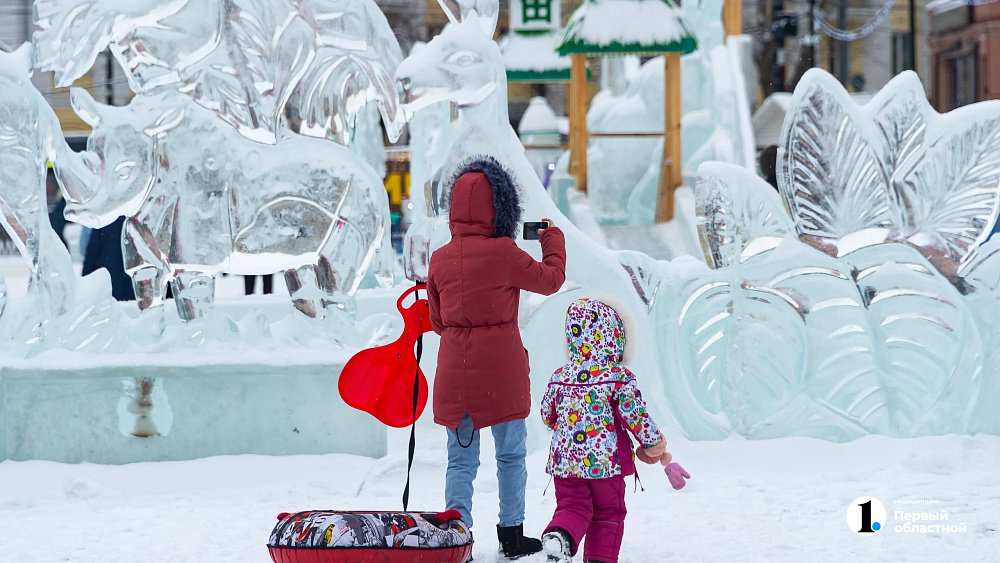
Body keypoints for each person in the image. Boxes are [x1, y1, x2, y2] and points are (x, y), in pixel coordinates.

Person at [426, 155, 566, 561]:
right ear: (501, 208)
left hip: (455, 373)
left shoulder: (440, 259)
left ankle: (458, 538)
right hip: (501, 371)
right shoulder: (505, 251)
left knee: (460, 460)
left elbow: (437, 320)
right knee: (510, 455)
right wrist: (551, 237)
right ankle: (511, 534)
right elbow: (551, 280)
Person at [540, 298, 669, 563]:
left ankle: (560, 537)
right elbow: (636, 416)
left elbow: (547, 415)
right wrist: (653, 443)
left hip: (565, 464)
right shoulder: (618, 377)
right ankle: (599, 559)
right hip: (605, 465)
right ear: (616, 337)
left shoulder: (560, 376)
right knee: (608, 512)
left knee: (572, 506)